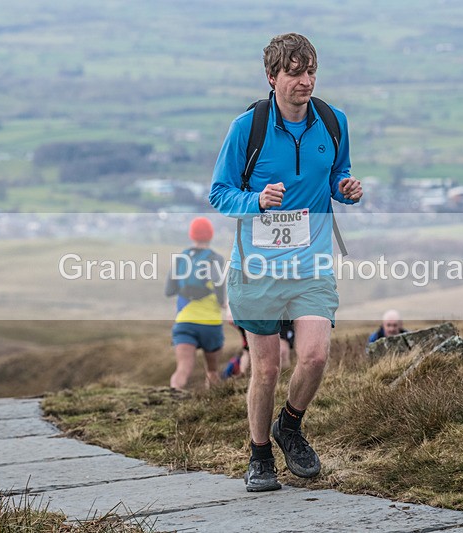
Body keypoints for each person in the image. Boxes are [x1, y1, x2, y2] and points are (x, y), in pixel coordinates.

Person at [209, 33, 363, 492]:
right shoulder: (247, 129)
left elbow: (337, 174)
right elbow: (220, 193)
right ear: (272, 77)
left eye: (311, 71)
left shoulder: (333, 122)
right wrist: (257, 200)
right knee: (268, 369)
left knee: (314, 356)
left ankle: (289, 426)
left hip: (311, 263)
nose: (306, 81)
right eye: (295, 72)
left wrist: (346, 189)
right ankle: (259, 456)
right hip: (257, 268)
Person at [165, 217, 227, 390]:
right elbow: (219, 284)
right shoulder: (216, 258)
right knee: (213, 371)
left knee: (183, 369)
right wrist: (222, 302)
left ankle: (173, 399)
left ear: (191, 235)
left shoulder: (180, 259)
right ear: (211, 235)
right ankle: (212, 408)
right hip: (210, 323)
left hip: (185, 321)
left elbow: (168, 291)